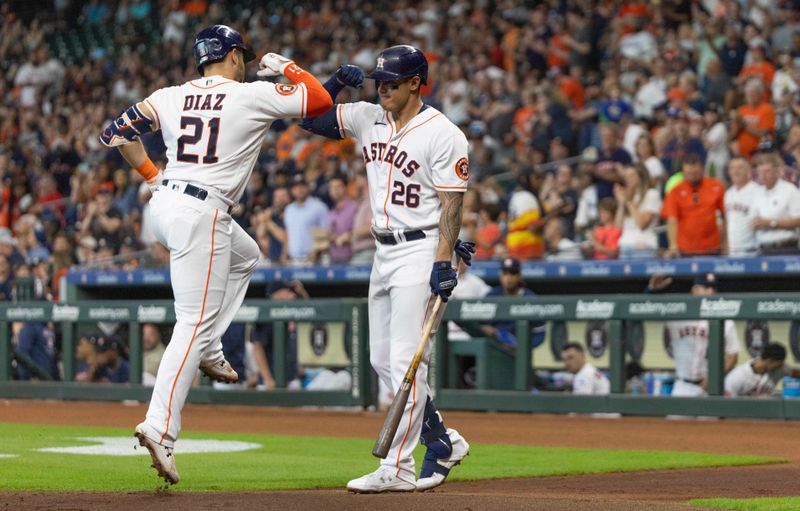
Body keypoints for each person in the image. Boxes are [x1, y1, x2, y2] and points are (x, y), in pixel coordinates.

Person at [99, 24, 332, 485]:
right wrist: (284, 65)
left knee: (247, 257)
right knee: (191, 321)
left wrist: (152, 175)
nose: (245, 63)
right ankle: (160, 428)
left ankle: (211, 346)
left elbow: (114, 133)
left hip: (166, 203)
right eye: (242, 56)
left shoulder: (169, 94)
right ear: (231, 56)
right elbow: (320, 101)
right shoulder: (249, 95)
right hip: (202, 210)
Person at [301, 45, 474, 493]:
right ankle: (442, 440)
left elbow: (452, 203)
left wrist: (443, 259)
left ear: (417, 83)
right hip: (382, 251)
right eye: (379, 82)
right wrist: (336, 83)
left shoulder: (443, 132)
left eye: (392, 83)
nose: (383, 90)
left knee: (405, 363)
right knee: (383, 359)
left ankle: (398, 467)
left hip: (419, 249)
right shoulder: (367, 116)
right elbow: (312, 119)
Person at [648, 273, 739, 397]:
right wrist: (652, 290)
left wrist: (714, 377)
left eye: (714, 288)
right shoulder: (678, 314)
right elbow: (648, 309)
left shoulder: (726, 321)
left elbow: (732, 355)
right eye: (706, 287)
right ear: (694, 290)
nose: (711, 291)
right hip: (683, 385)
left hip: (710, 387)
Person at [661, 155, 726, 257]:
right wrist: (673, 245)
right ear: (683, 173)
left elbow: (725, 216)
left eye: (695, 173)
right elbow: (671, 219)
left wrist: (725, 243)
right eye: (688, 173)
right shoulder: (675, 191)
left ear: (702, 169)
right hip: (685, 249)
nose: (692, 176)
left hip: (712, 247)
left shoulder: (716, 186)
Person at [481, 257, 546, 348]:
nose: (508, 278)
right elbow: (480, 325)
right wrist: (487, 330)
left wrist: (521, 348)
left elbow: (539, 334)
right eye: (505, 274)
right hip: (494, 349)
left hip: (519, 352)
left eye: (512, 273)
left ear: (519, 276)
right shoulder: (492, 295)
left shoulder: (530, 298)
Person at [750, 154, 800, 254]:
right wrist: (754, 223)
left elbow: (798, 220)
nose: (763, 176)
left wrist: (771, 223)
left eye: (767, 172)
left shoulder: (790, 190)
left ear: (777, 172)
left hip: (786, 248)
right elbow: (753, 220)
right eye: (760, 172)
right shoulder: (757, 192)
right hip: (763, 248)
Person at [614, 164, 661, 259]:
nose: (628, 179)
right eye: (626, 176)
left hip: (643, 245)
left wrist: (629, 202)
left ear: (641, 176)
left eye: (632, 175)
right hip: (625, 245)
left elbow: (642, 224)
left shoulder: (652, 194)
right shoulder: (630, 197)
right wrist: (621, 203)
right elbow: (617, 228)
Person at [725, 343, 800, 397]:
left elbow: (795, 373)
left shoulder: (779, 369)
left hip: (767, 413)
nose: (780, 367)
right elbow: (727, 404)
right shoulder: (737, 376)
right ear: (770, 360)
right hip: (744, 415)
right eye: (779, 364)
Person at [284, 175, 329, 264]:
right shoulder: (289, 209)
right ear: (292, 190)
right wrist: (284, 254)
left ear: (308, 188)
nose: (299, 189)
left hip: (314, 259)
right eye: (296, 186)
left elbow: (325, 233)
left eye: (302, 186)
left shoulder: (319, 207)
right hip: (293, 259)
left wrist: (316, 252)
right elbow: (288, 234)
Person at [724, 158, 760, 256]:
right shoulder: (728, 193)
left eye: (740, 168)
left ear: (748, 170)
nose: (736, 171)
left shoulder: (758, 191)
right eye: (732, 168)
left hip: (752, 250)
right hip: (731, 251)